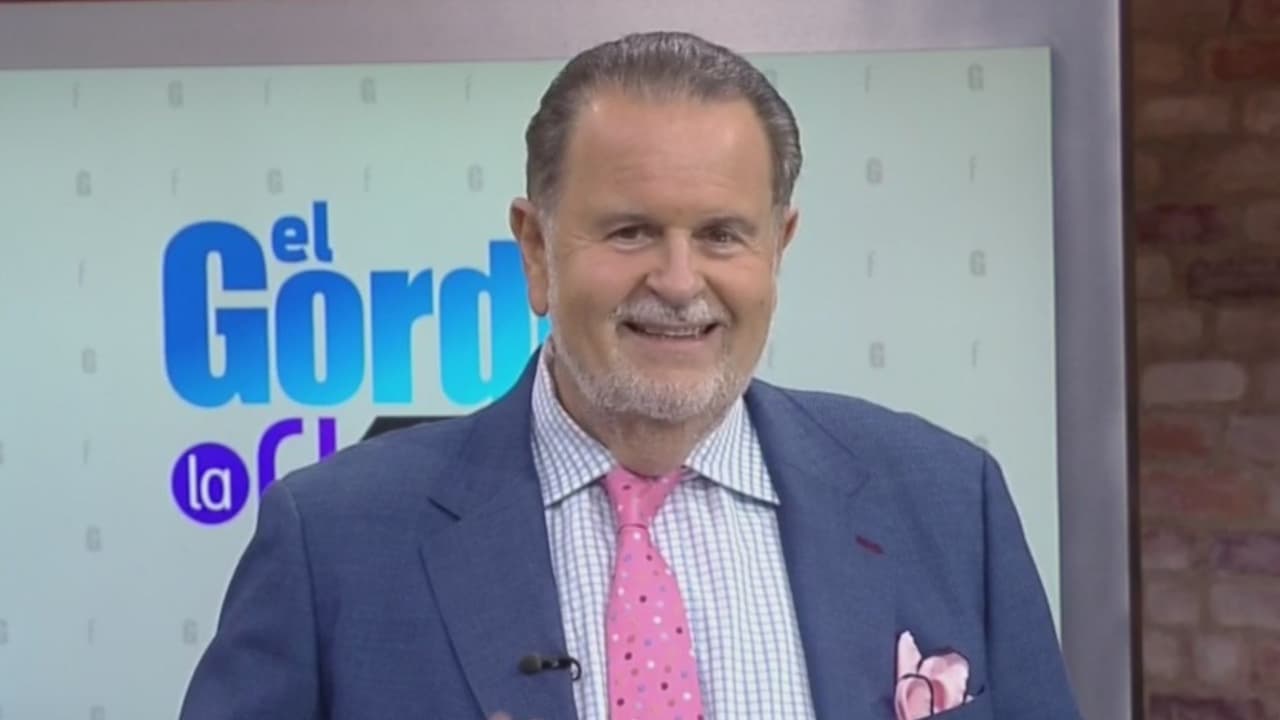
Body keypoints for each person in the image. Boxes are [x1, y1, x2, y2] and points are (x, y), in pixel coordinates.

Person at [179, 31, 1081, 720]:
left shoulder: (946, 502)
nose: (679, 282)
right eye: (630, 232)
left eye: (722, 235)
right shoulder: (335, 541)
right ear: (536, 249)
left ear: (779, 247)